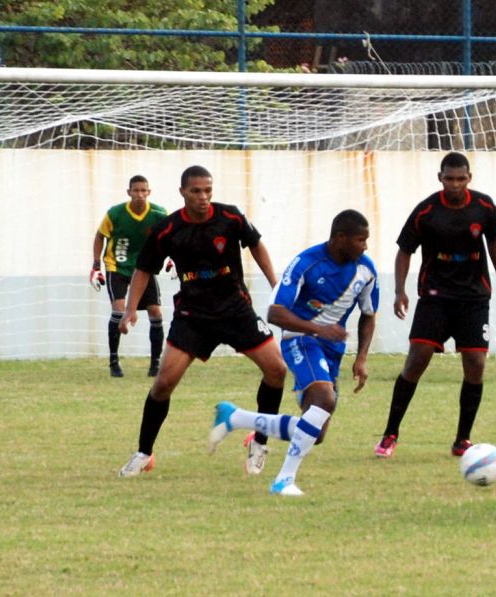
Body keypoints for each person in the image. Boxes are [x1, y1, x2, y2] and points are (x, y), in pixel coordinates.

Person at [117, 165, 287, 478]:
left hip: (236, 310)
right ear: (182, 192)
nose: (204, 197)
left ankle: (259, 441)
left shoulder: (230, 218)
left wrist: (275, 284)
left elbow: (256, 244)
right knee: (163, 384)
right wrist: (130, 310)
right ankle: (144, 453)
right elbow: (144, 269)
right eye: (196, 191)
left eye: (208, 190)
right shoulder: (167, 229)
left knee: (276, 370)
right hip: (193, 315)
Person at [208, 209, 379, 496]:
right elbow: (275, 313)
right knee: (324, 400)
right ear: (341, 238)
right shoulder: (306, 263)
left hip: (332, 349)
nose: (365, 246)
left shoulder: (366, 269)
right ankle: (283, 480)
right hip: (300, 339)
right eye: (360, 240)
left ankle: (235, 418)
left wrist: (361, 358)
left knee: (316, 431)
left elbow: (368, 314)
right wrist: (318, 329)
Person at [374, 151, 496, 459]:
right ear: (440, 178)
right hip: (435, 296)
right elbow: (404, 251)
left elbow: (495, 244)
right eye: (449, 179)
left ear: (469, 178)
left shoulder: (484, 207)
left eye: (461, 179)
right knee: (416, 360)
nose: (455, 184)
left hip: (475, 297)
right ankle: (390, 433)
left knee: (476, 364)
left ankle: (462, 439)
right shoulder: (426, 211)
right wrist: (399, 290)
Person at [91, 175, 169, 378]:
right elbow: (100, 236)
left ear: (149, 192)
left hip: (144, 269)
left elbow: (171, 237)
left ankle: (155, 364)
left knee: (156, 312)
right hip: (117, 267)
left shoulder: (159, 214)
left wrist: (172, 258)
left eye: (144, 191)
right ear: (129, 192)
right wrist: (96, 265)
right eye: (136, 190)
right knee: (118, 310)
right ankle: (114, 362)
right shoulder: (115, 213)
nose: (140, 195)